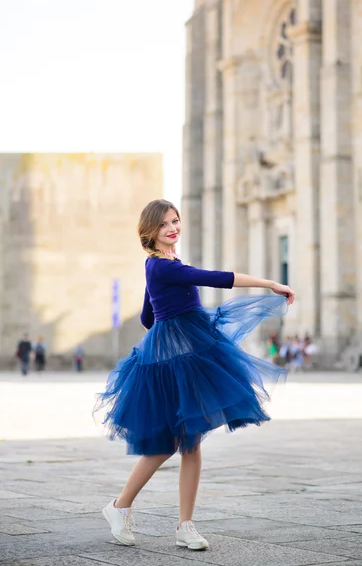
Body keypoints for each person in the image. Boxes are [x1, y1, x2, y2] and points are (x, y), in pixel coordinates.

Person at [95, 199, 295, 551]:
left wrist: (172, 330)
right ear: (150, 231)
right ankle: (119, 506)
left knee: (191, 442)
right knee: (167, 445)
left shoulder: (163, 265)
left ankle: (185, 525)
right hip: (176, 361)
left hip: (183, 355)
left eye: (175, 221)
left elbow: (147, 315)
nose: (173, 228)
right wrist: (270, 283)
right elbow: (217, 279)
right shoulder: (162, 267)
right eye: (164, 225)